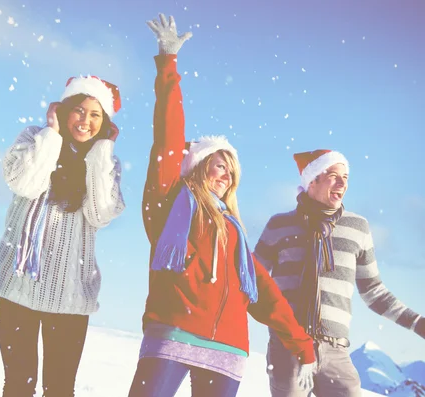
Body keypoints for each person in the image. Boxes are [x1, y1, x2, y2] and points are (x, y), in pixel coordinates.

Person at [128, 13, 317, 397]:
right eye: (219, 165)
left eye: (231, 171)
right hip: (173, 333)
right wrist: (168, 65)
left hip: (228, 350)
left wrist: (302, 344)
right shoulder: (172, 204)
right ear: (197, 168)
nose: (226, 175)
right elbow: (167, 136)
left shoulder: (233, 229)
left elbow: (263, 291)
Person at [0, 73, 126, 396]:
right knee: (18, 385)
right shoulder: (34, 138)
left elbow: (101, 213)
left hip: (71, 295)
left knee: (60, 389)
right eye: (79, 110)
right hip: (18, 285)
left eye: (95, 115)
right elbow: (25, 184)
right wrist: (51, 134)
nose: (85, 121)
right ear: (64, 111)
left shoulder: (106, 163)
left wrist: (101, 153)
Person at [254, 149, 425, 397]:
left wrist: (417, 323)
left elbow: (374, 292)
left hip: (336, 351)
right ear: (312, 180)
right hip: (288, 346)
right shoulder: (279, 225)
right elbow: (251, 280)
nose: (342, 182)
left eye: (346, 177)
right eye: (333, 175)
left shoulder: (358, 228)